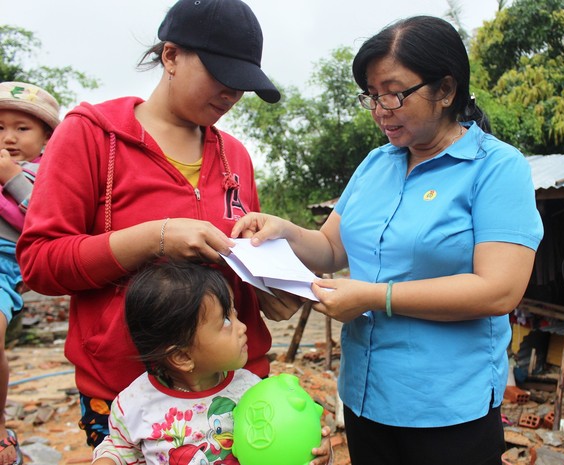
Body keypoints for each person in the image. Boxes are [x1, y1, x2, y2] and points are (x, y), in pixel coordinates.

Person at [232, 15, 544, 465]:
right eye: (372, 96)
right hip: (366, 397)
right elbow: (333, 248)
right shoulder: (376, 164)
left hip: (448, 406)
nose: (381, 109)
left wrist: (376, 297)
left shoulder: (496, 168)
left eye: (394, 93)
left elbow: (500, 289)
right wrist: (284, 230)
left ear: (446, 90)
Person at [16, 0, 298, 449]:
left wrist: (272, 291)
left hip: (235, 392)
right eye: (220, 75)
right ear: (170, 55)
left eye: (241, 84)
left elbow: (239, 266)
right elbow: (40, 262)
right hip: (128, 396)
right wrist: (155, 238)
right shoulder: (91, 136)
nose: (231, 94)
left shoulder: (236, 157)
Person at [91, 260, 332, 465]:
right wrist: (108, 459)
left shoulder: (250, 390)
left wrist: (318, 452)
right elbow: (120, 447)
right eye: (226, 321)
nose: (243, 327)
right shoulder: (134, 404)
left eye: (235, 313)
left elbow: (284, 444)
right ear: (182, 357)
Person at [0, 80, 61, 465]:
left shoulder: (43, 176)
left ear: (46, 139)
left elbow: (40, 220)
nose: (9, 138)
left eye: (22, 129)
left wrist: (11, 177)